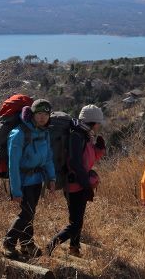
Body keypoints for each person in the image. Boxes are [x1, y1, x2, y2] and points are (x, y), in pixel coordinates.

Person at [46, 104, 106, 257]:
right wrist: (86, 185)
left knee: (77, 219)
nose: (99, 125)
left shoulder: (84, 135)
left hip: (78, 182)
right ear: (92, 122)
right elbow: (75, 163)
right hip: (75, 185)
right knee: (75, 223)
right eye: (98, 122)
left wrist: (99, 149)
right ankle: (49, 247)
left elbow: (87, 160)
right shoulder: (77, 136)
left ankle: (74, 248)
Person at [2, 99, 56, 259]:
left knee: (30, 213)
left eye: (46, 114)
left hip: (37, 180)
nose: (42, 118)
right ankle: (8, 243)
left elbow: (48, 158)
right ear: (32, 114)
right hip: (23, 181)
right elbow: (13, 165)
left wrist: (51, 178)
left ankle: (26, 243)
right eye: (39, 114)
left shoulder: (44, 133)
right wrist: (16, 190)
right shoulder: (19, 133)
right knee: (26, 213)